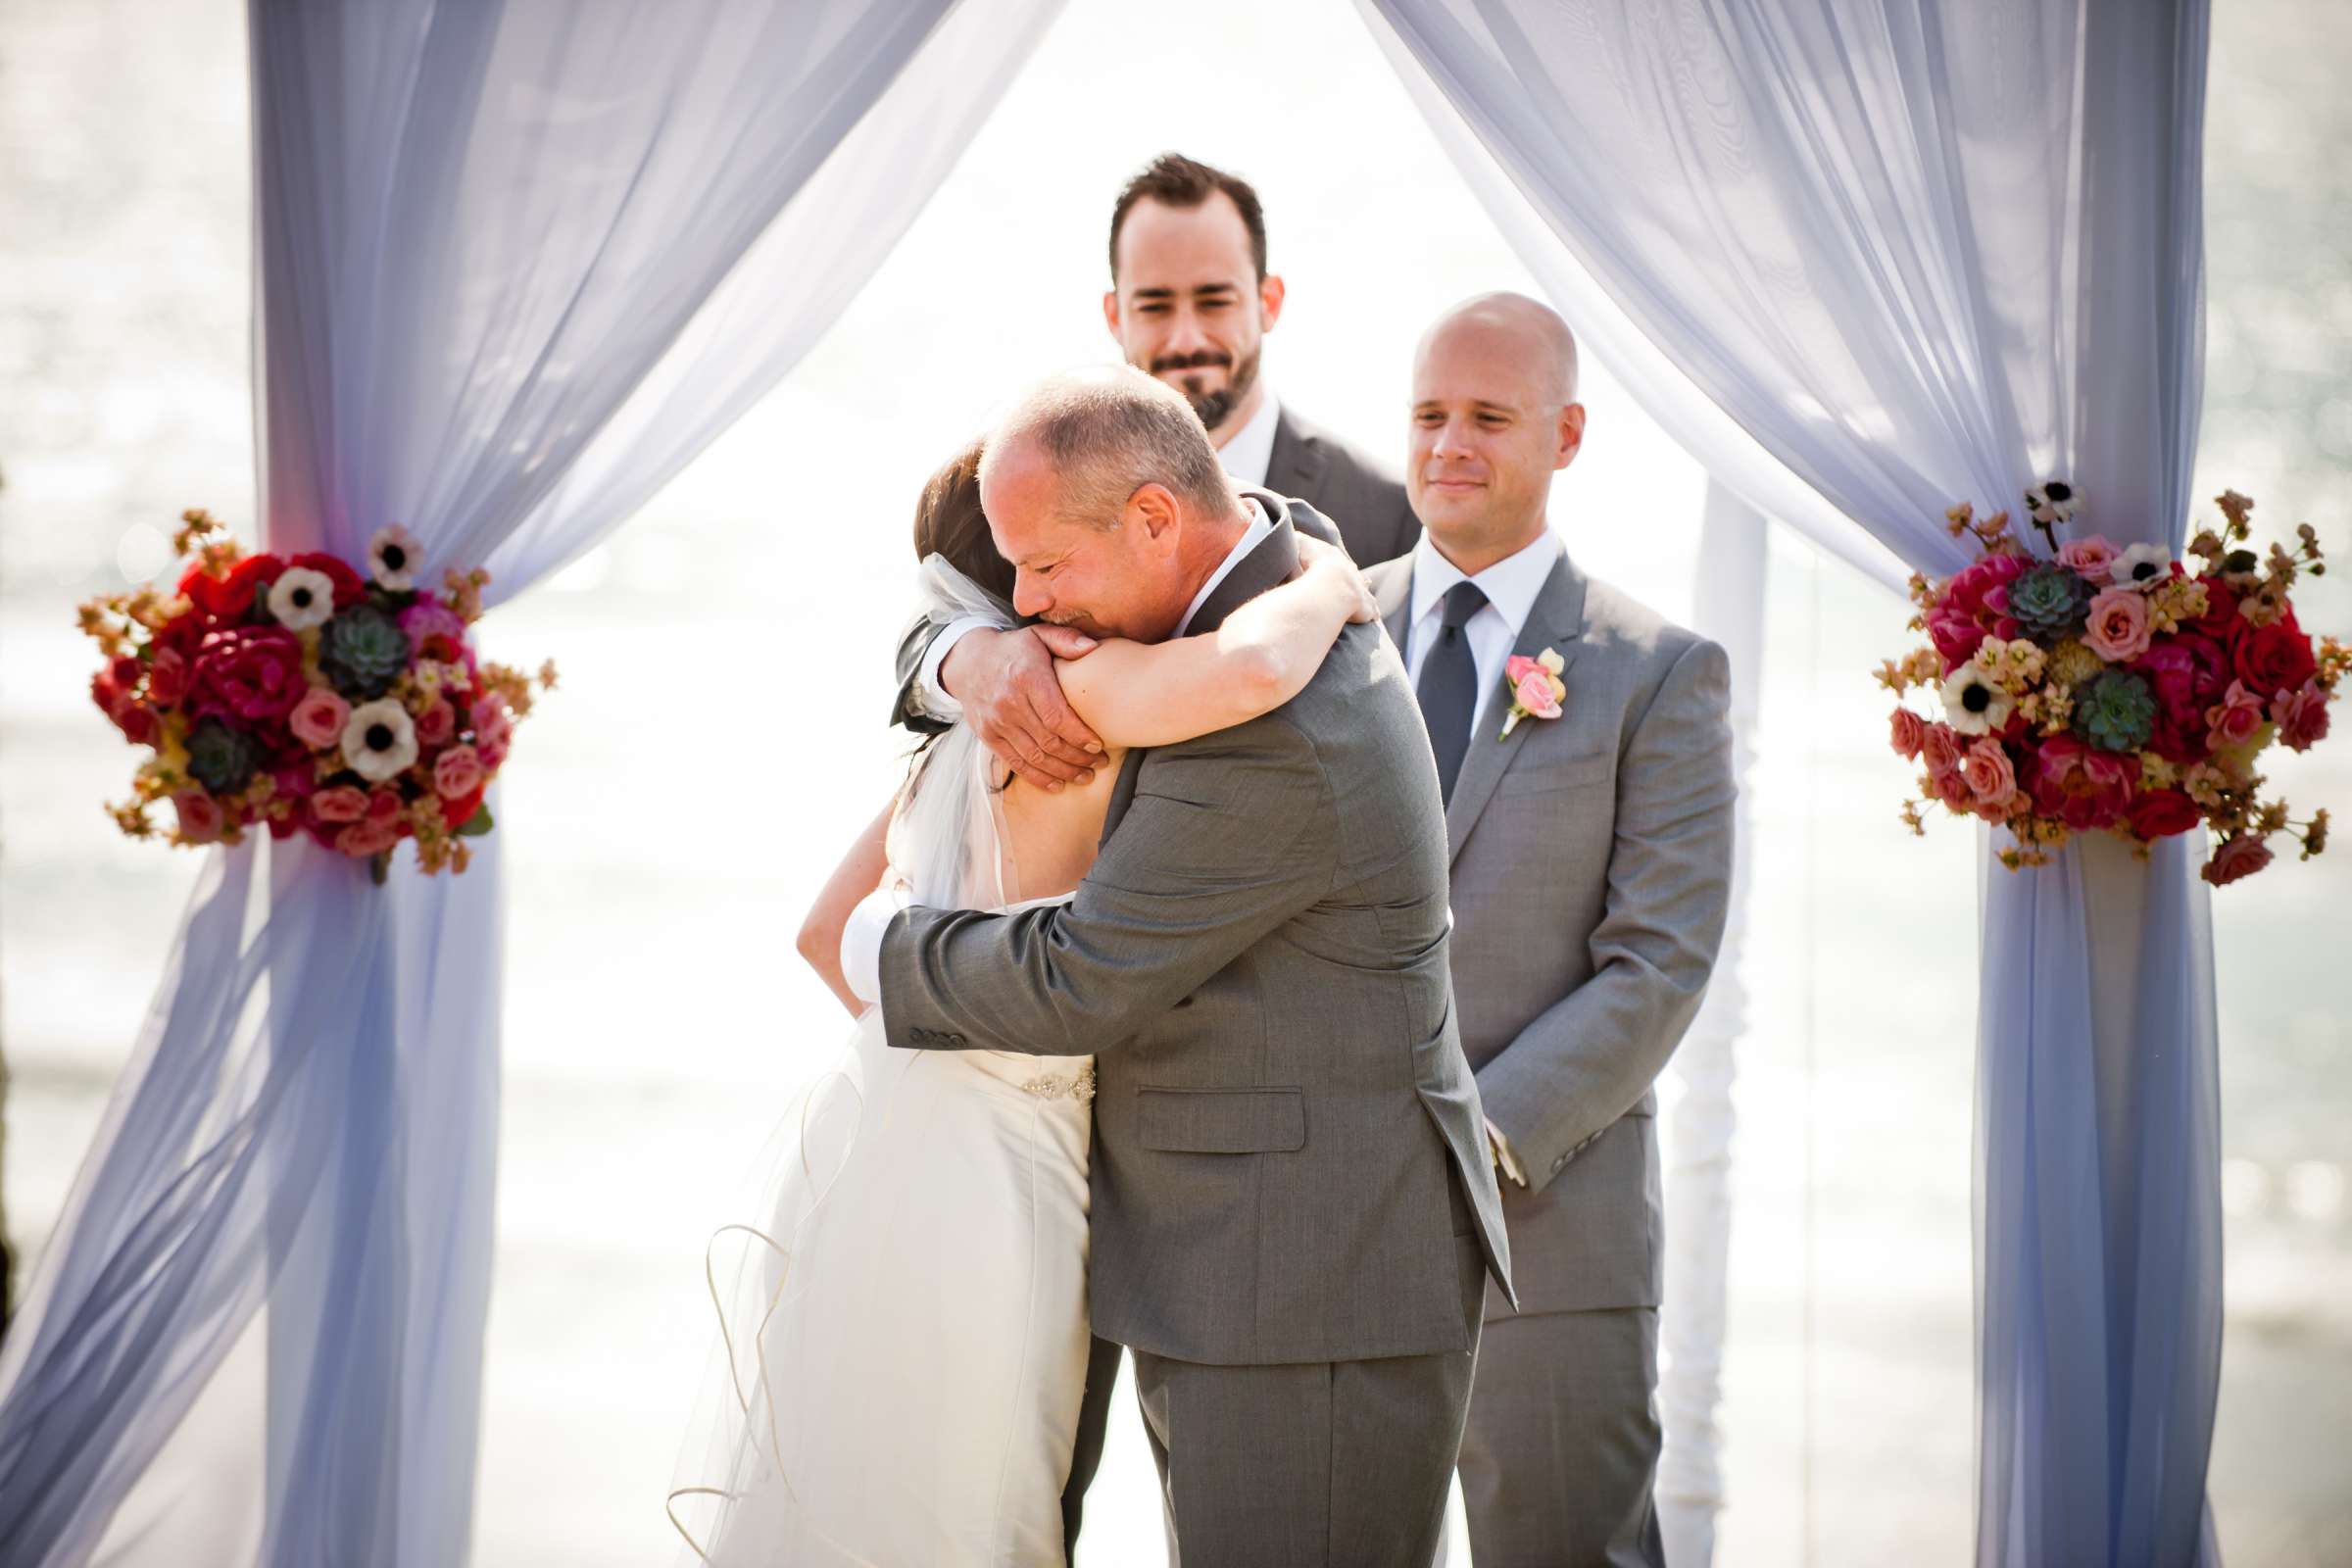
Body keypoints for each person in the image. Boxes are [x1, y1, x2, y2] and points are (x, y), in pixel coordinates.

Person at [667, 436, 1380, 1567]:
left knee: (879, 1473)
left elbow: (821, 936)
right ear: (1020, 599)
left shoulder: (959, 730)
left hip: (887, 1145)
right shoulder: (1080, 705)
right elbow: (1249, 672)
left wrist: (936, 1014)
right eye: (1034, 567)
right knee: (994, 1489)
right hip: (1012, 1163)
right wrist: (1336, 583)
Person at [841, 367, 1511, 1568]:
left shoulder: (1278, 720)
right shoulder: (1269, 553)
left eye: (1043, 567)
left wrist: (874, 945)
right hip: (1239, 1255)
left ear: (1155, 519)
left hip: (1308, 1281)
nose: (1023, 601)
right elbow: (952, 619)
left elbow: (1085, 976)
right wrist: (966, 657)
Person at [1365, 294, 1735, 1567]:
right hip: (1326, 1228)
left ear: (1568, 435)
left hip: (1552, 1238)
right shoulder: (1319, 641)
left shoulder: (1658, 671)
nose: (1448, 445)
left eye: (1487, 417)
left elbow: (1661, 966)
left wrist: (1463, 1147)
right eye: (1427, 415)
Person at [889, 152, 1417, 807]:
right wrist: (966, 659)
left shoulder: (1386, 511)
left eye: (1214, 300)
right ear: (1115, 315)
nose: (1186, 336)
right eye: (1155, 305)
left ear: (1268, 301)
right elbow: (932, 611)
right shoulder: (1031, 474)